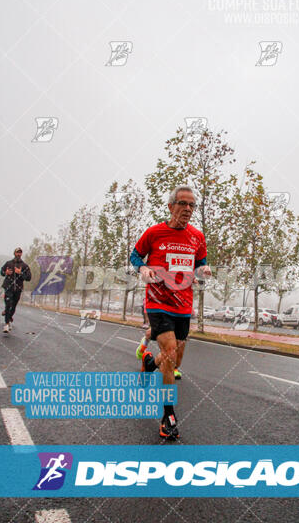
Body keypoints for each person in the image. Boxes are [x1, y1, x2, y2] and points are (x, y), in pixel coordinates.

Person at [130, 185, 211, 440]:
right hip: (157, 301)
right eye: (183, 204)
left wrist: (203, 272)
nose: (188, 209)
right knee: (169, 352)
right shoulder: (154, 233)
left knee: (174, 361)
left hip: (183, 304)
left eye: (192, 205)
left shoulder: (197, 236)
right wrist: (142, 269)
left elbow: (200, 263)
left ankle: (148, 363)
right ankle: (168, 416)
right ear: (170, 206)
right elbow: (135, 256)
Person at [0, 248, 31, 333]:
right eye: (17, 252)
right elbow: (1, 272)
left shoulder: (24, 266)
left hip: (18, 289)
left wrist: (20, 273)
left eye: (20, 253)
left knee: (13, 306)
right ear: (14, 253)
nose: (18, 254)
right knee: (8, 304)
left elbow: (29, 278)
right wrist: (5, 272)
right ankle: (6, 324)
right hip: (8, 287)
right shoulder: (8, 263)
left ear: (21, 254)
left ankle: (9, 317)